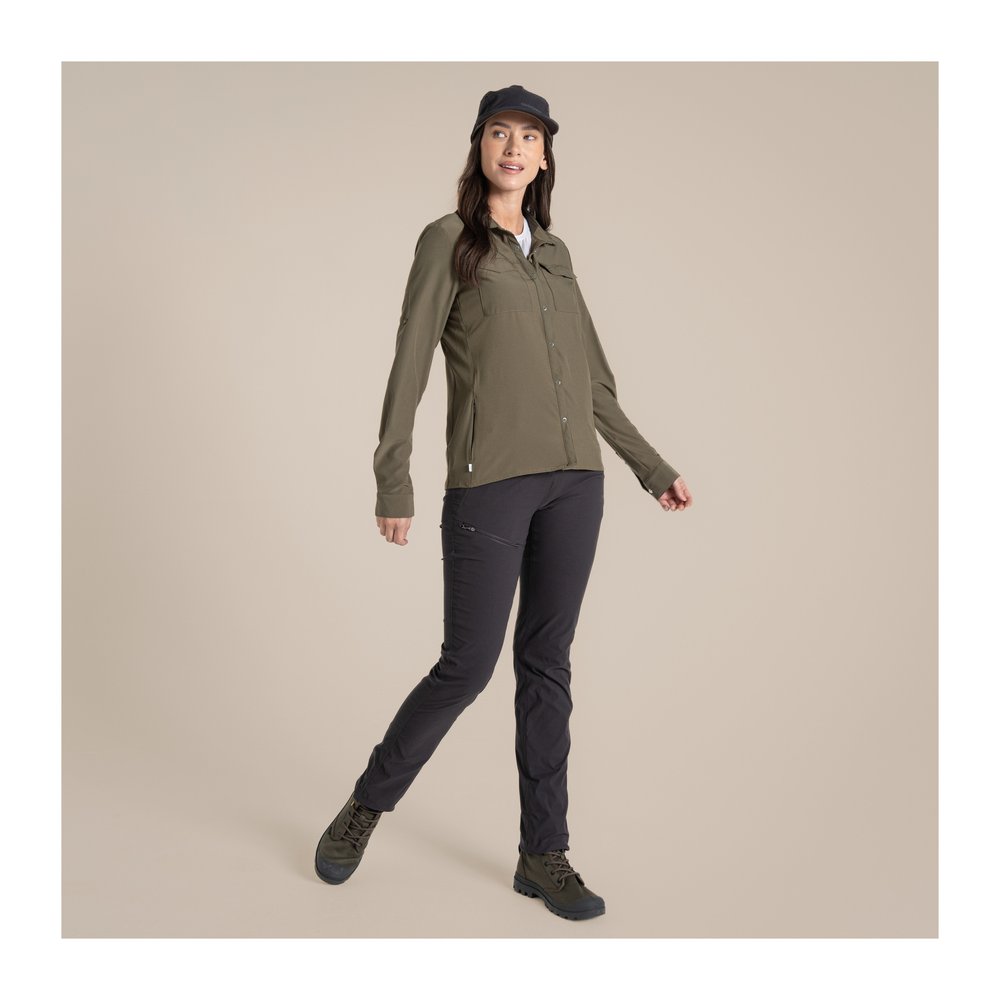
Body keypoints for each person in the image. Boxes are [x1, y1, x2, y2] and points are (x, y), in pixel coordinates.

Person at [314, 84, 693, 920]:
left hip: (576, 485)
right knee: (467, 666)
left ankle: (543, 854)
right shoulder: (448, 241)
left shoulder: (555, 253)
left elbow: (594, 384)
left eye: (529, 137)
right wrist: (393, 477)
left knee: (547, 667)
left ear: (546, 156)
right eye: (499, 133)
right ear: (479, 147)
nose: (514, 148)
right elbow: (410, 361)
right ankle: (365, 806)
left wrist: (649, 466)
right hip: (489, 485)